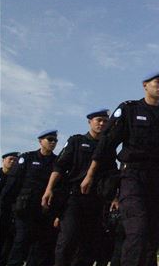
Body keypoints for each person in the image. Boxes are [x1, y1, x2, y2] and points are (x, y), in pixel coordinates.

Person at [80, 71, 159, 266]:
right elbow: (106, 143)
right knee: (137, 231)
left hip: (156, 180)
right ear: (145, 85)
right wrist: (90, 174)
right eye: (157, 82)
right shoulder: (129, 110)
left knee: (151, 236)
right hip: (132, 178)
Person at [41, 109, 111, 266]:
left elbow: (112, 174)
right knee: (68, 238)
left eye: (105, 121)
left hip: (96, 199)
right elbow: (60, 166)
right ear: (89, 122)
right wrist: (49, 188)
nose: (101, 124)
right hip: (74, 197)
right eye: (98, 120)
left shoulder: (108, 146)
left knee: (88, 244)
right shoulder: (76, 141)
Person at [7, 130, 59, 266]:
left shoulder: (57, 162)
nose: (53, 142)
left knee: (39, 248)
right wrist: (7, 206)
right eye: (50, 139)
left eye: (55, 140)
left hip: (44, 211)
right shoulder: (28, 158)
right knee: (20, 243)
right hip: (24, 209)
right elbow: (13, 184)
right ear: (40, 141)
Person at [0, 152, 20, 266]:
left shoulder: (18, 179)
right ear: (3, 160)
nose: (13, 162)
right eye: (10, 159)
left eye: (15, 160)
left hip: (10, 215)